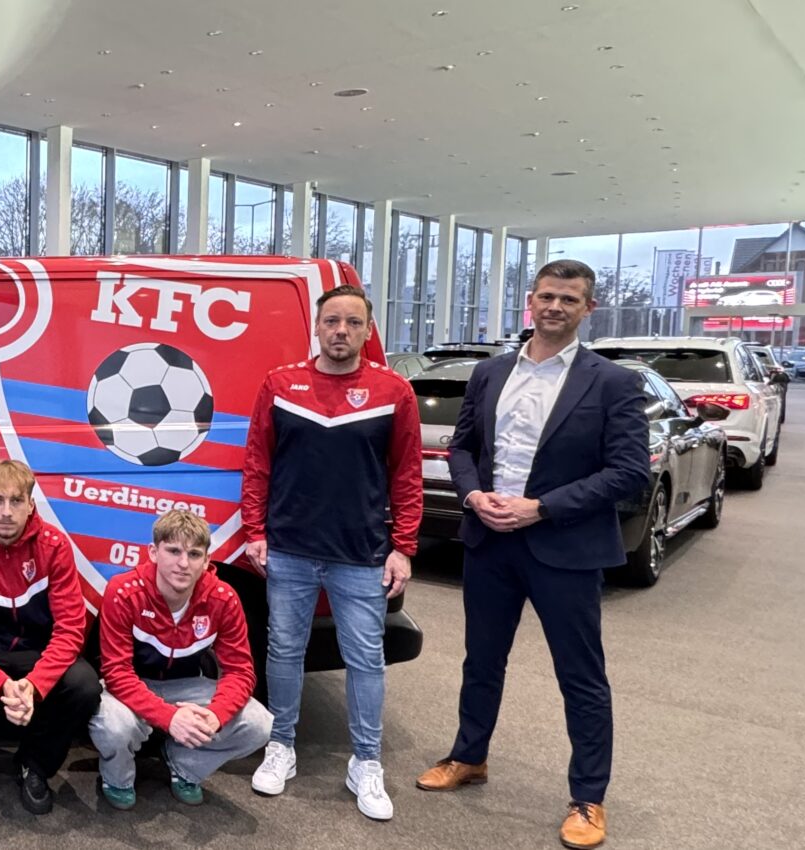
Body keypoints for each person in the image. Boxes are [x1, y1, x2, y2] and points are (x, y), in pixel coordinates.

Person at [417, 260, 648, 850]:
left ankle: (588, 798)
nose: (555, 307)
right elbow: (462, 447)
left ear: (588, 308)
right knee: (481, 660)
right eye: (547, 296)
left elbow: (628, 472)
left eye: (569, 299)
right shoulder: (491, 372)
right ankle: (469, 756)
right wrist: (472, 495)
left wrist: (541, 507)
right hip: (490, 541)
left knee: (581, 676)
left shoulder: (612, 383)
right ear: (531, 300)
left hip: (564, 548)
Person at [239, 284, 421, 821]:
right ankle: (281, 745)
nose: (341, 331)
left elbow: (407, 474)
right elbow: (257, 462)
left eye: (353, 322)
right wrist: (255, 529)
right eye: (332, 321)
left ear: (368, 330)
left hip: (361, 553)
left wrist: (404, 547)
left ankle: (366, 761)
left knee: (366, 660)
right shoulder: (279, 384)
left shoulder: (393, 391)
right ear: (316, 328)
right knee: (283, 652)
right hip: (290, 548)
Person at [0, 459, 102, 814]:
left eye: (16, 501)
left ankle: (35, 764)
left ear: (31, 504)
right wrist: (0, 684)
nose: (7, 512)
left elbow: (71, 629)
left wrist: (35, 685)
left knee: (85, 684)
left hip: (36, 652)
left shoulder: (54, 545)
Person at [88, 510, 272, 810]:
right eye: (173, 551)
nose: (184, 563)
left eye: (194, 554)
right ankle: (118, 778)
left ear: (207, 560)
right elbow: (116, 672)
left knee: (259, 724)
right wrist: (169, 718)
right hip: (131, 684)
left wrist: (216, 715)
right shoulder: (123, 591)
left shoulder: (224, 598)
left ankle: (184, 765)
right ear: (153, 552)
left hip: (187, 686)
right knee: (113, 726)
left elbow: (240, 672)